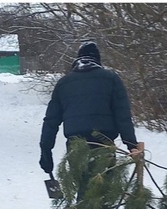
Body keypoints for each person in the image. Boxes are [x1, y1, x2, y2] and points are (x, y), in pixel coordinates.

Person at [39, 41, 140, 175]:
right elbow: (122, 115)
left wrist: (46, 152)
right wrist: (131, 145)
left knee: (83, 186)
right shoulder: (111, 79)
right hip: (103, 143)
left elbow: (51, 121)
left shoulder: (64, 83)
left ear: (78, 58)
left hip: (75, 145)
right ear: (97, 59)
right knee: (103, 188)